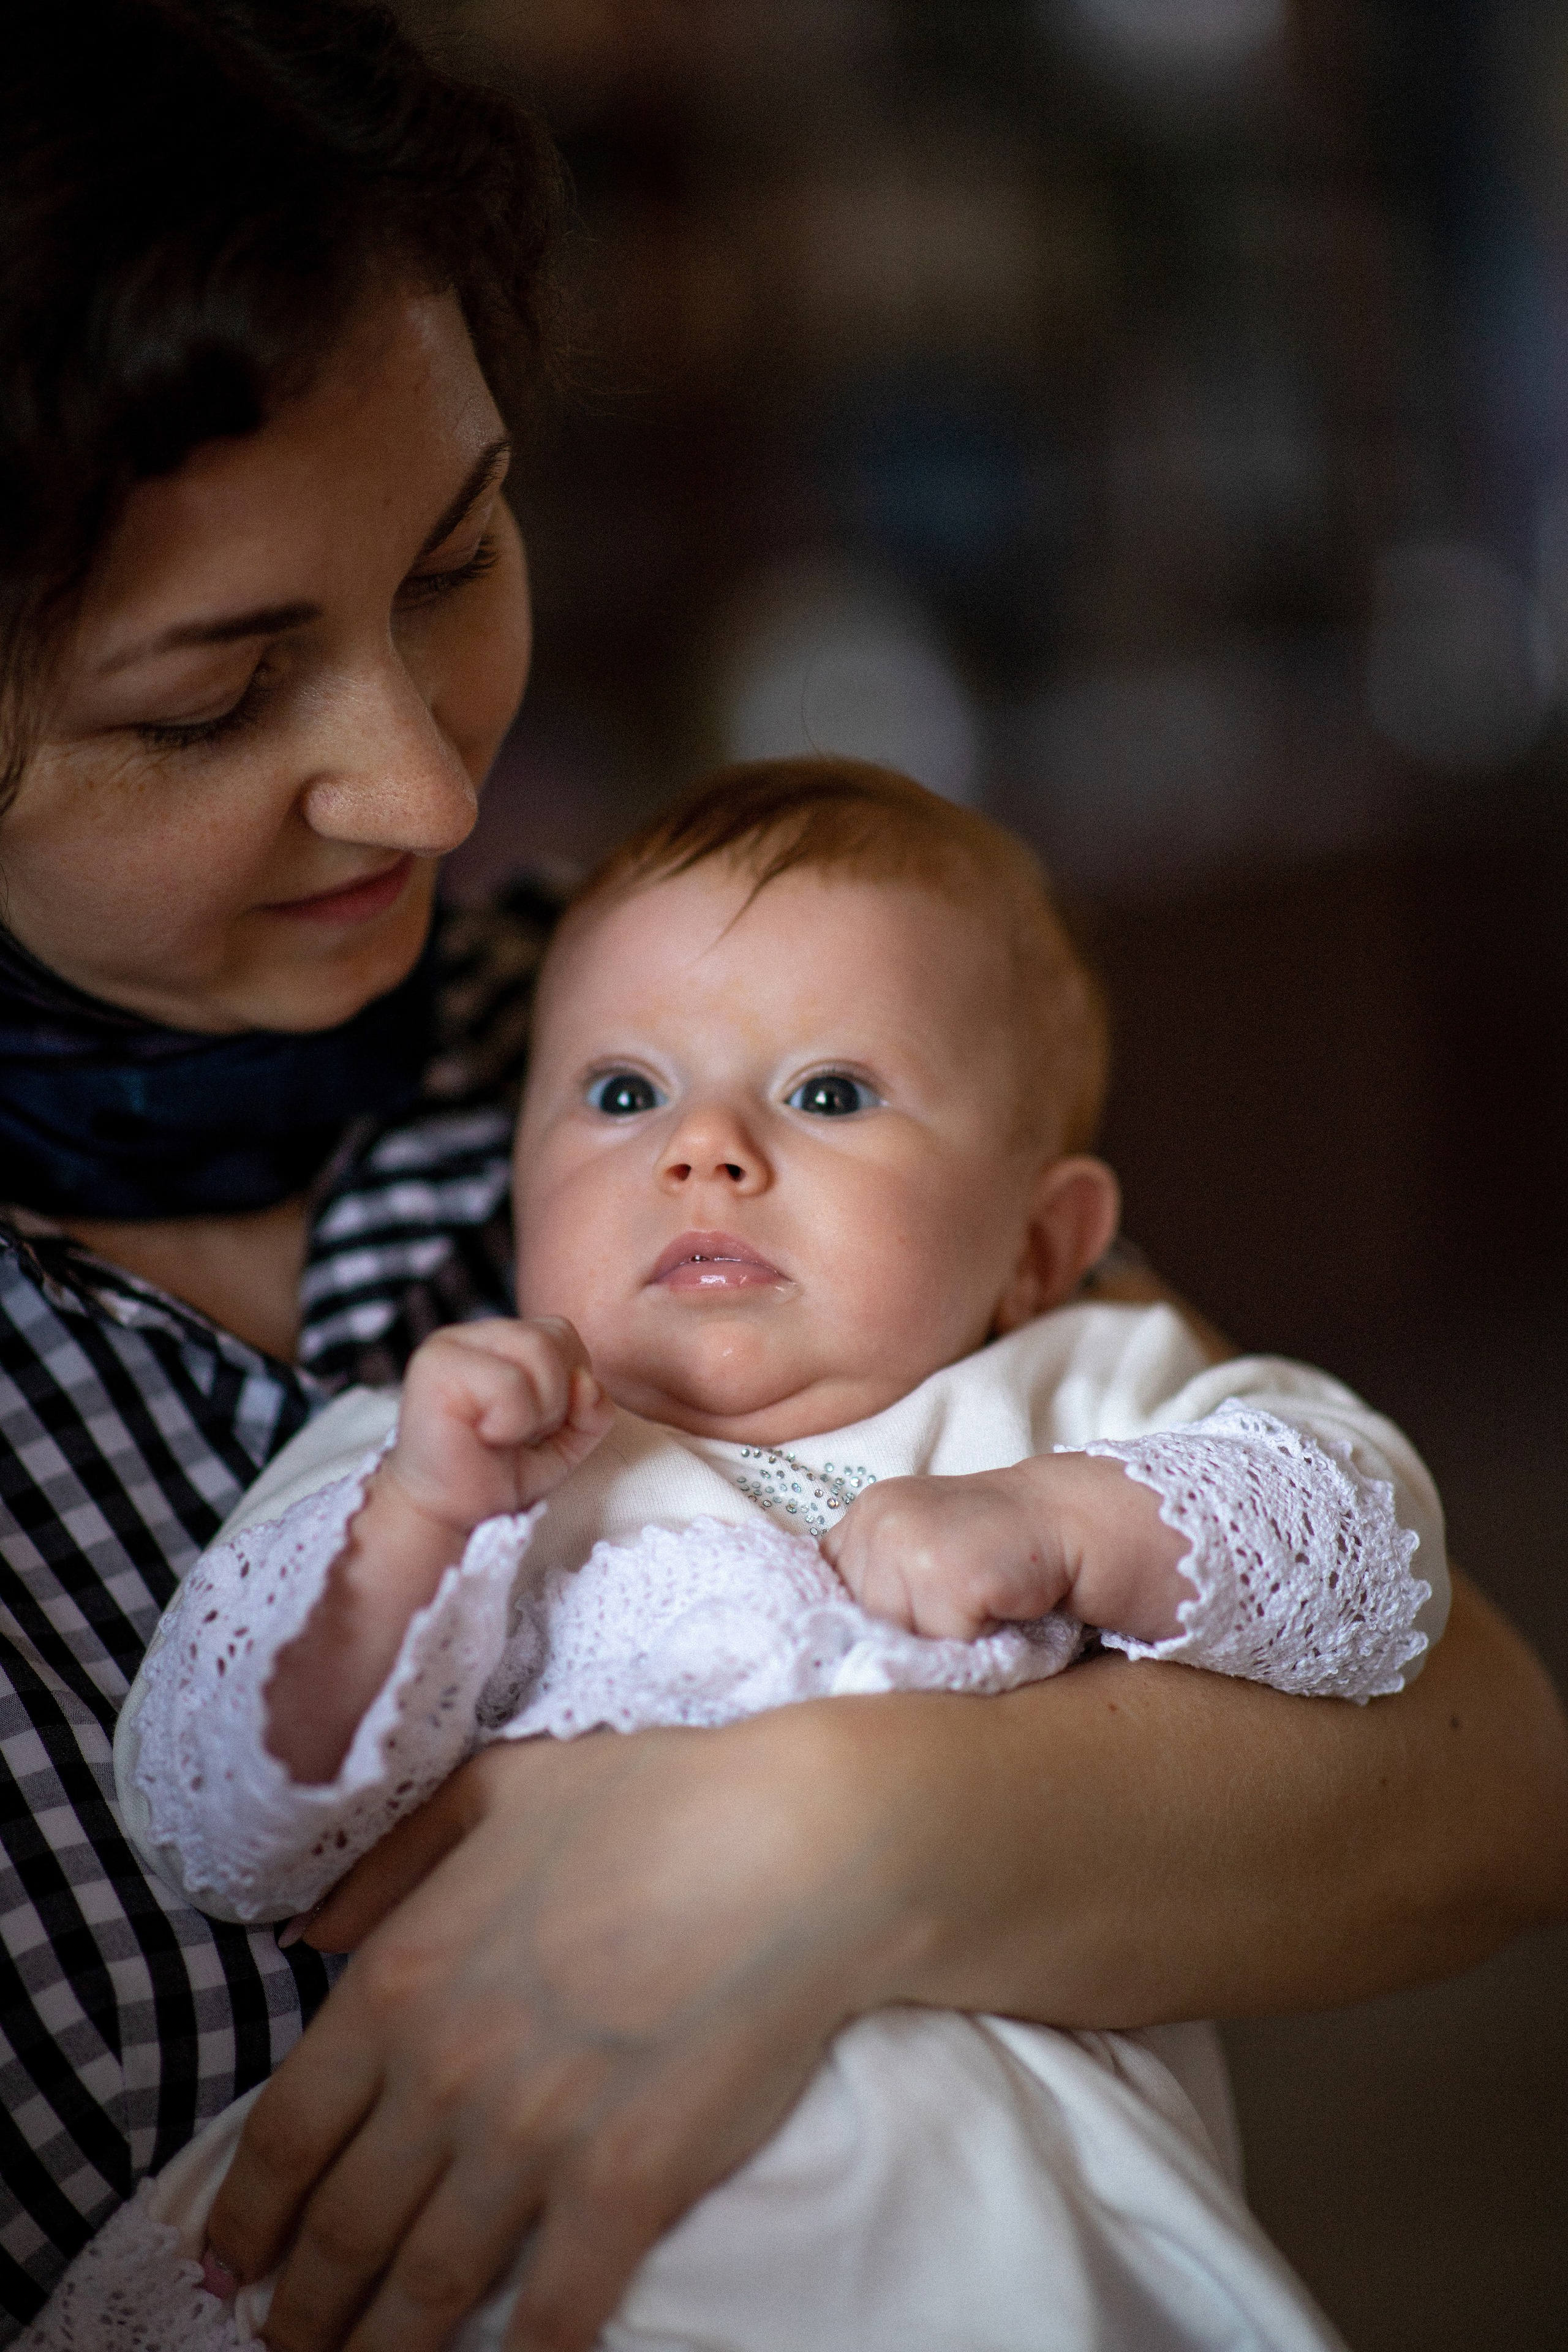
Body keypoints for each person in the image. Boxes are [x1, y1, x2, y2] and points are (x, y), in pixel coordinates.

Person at [0, 7, 1564, 2352]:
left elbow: (1481, 1765)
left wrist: (845, 1842)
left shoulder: (684, 999)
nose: (429, 793)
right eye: (209, 705)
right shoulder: (591, 1174)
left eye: (452, 559)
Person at [56, 761, 1447, 2351]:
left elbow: (1368, 1559)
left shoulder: (1068, 1392)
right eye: (625, 1095)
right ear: (515, 1198)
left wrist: (1069, 1522)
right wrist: (416, 1531)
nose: (705, 1147)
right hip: (498, 2240)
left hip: (976, 2217)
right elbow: (218, 1821)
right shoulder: (448, 1457)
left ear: (1041, 1247)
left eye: (831, 1093)